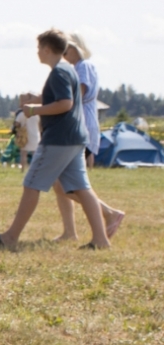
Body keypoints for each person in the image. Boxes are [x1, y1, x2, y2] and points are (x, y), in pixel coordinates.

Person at [0, 30, 109, 251]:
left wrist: (34, 110)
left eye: (39, 48)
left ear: (48, 49)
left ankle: (11, 237)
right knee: (81, 187)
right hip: (75, 137)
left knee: (32, 184)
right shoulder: (68, 70)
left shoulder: (59, 72)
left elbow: (65, 103)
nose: (38, 52)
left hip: (59, 139)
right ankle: (101, 240)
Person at [52, 32, 123, 240]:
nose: (63, 54)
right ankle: (69, 231)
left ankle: (109, 213)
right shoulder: (77, 68)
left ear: (77, 48)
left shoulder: (84, 67)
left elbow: (76, 96)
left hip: (81, 130)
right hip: (76, 129)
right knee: (61, 183)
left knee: (65, 183)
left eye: (66, 49)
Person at [11, 101, 39, 169]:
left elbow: (16, 124)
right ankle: (35, 169)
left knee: (23, 154)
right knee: (35, 154)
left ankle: (23, 169)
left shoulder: (21, 114)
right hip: (35, 135)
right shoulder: (36, 114)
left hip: (24, 136)